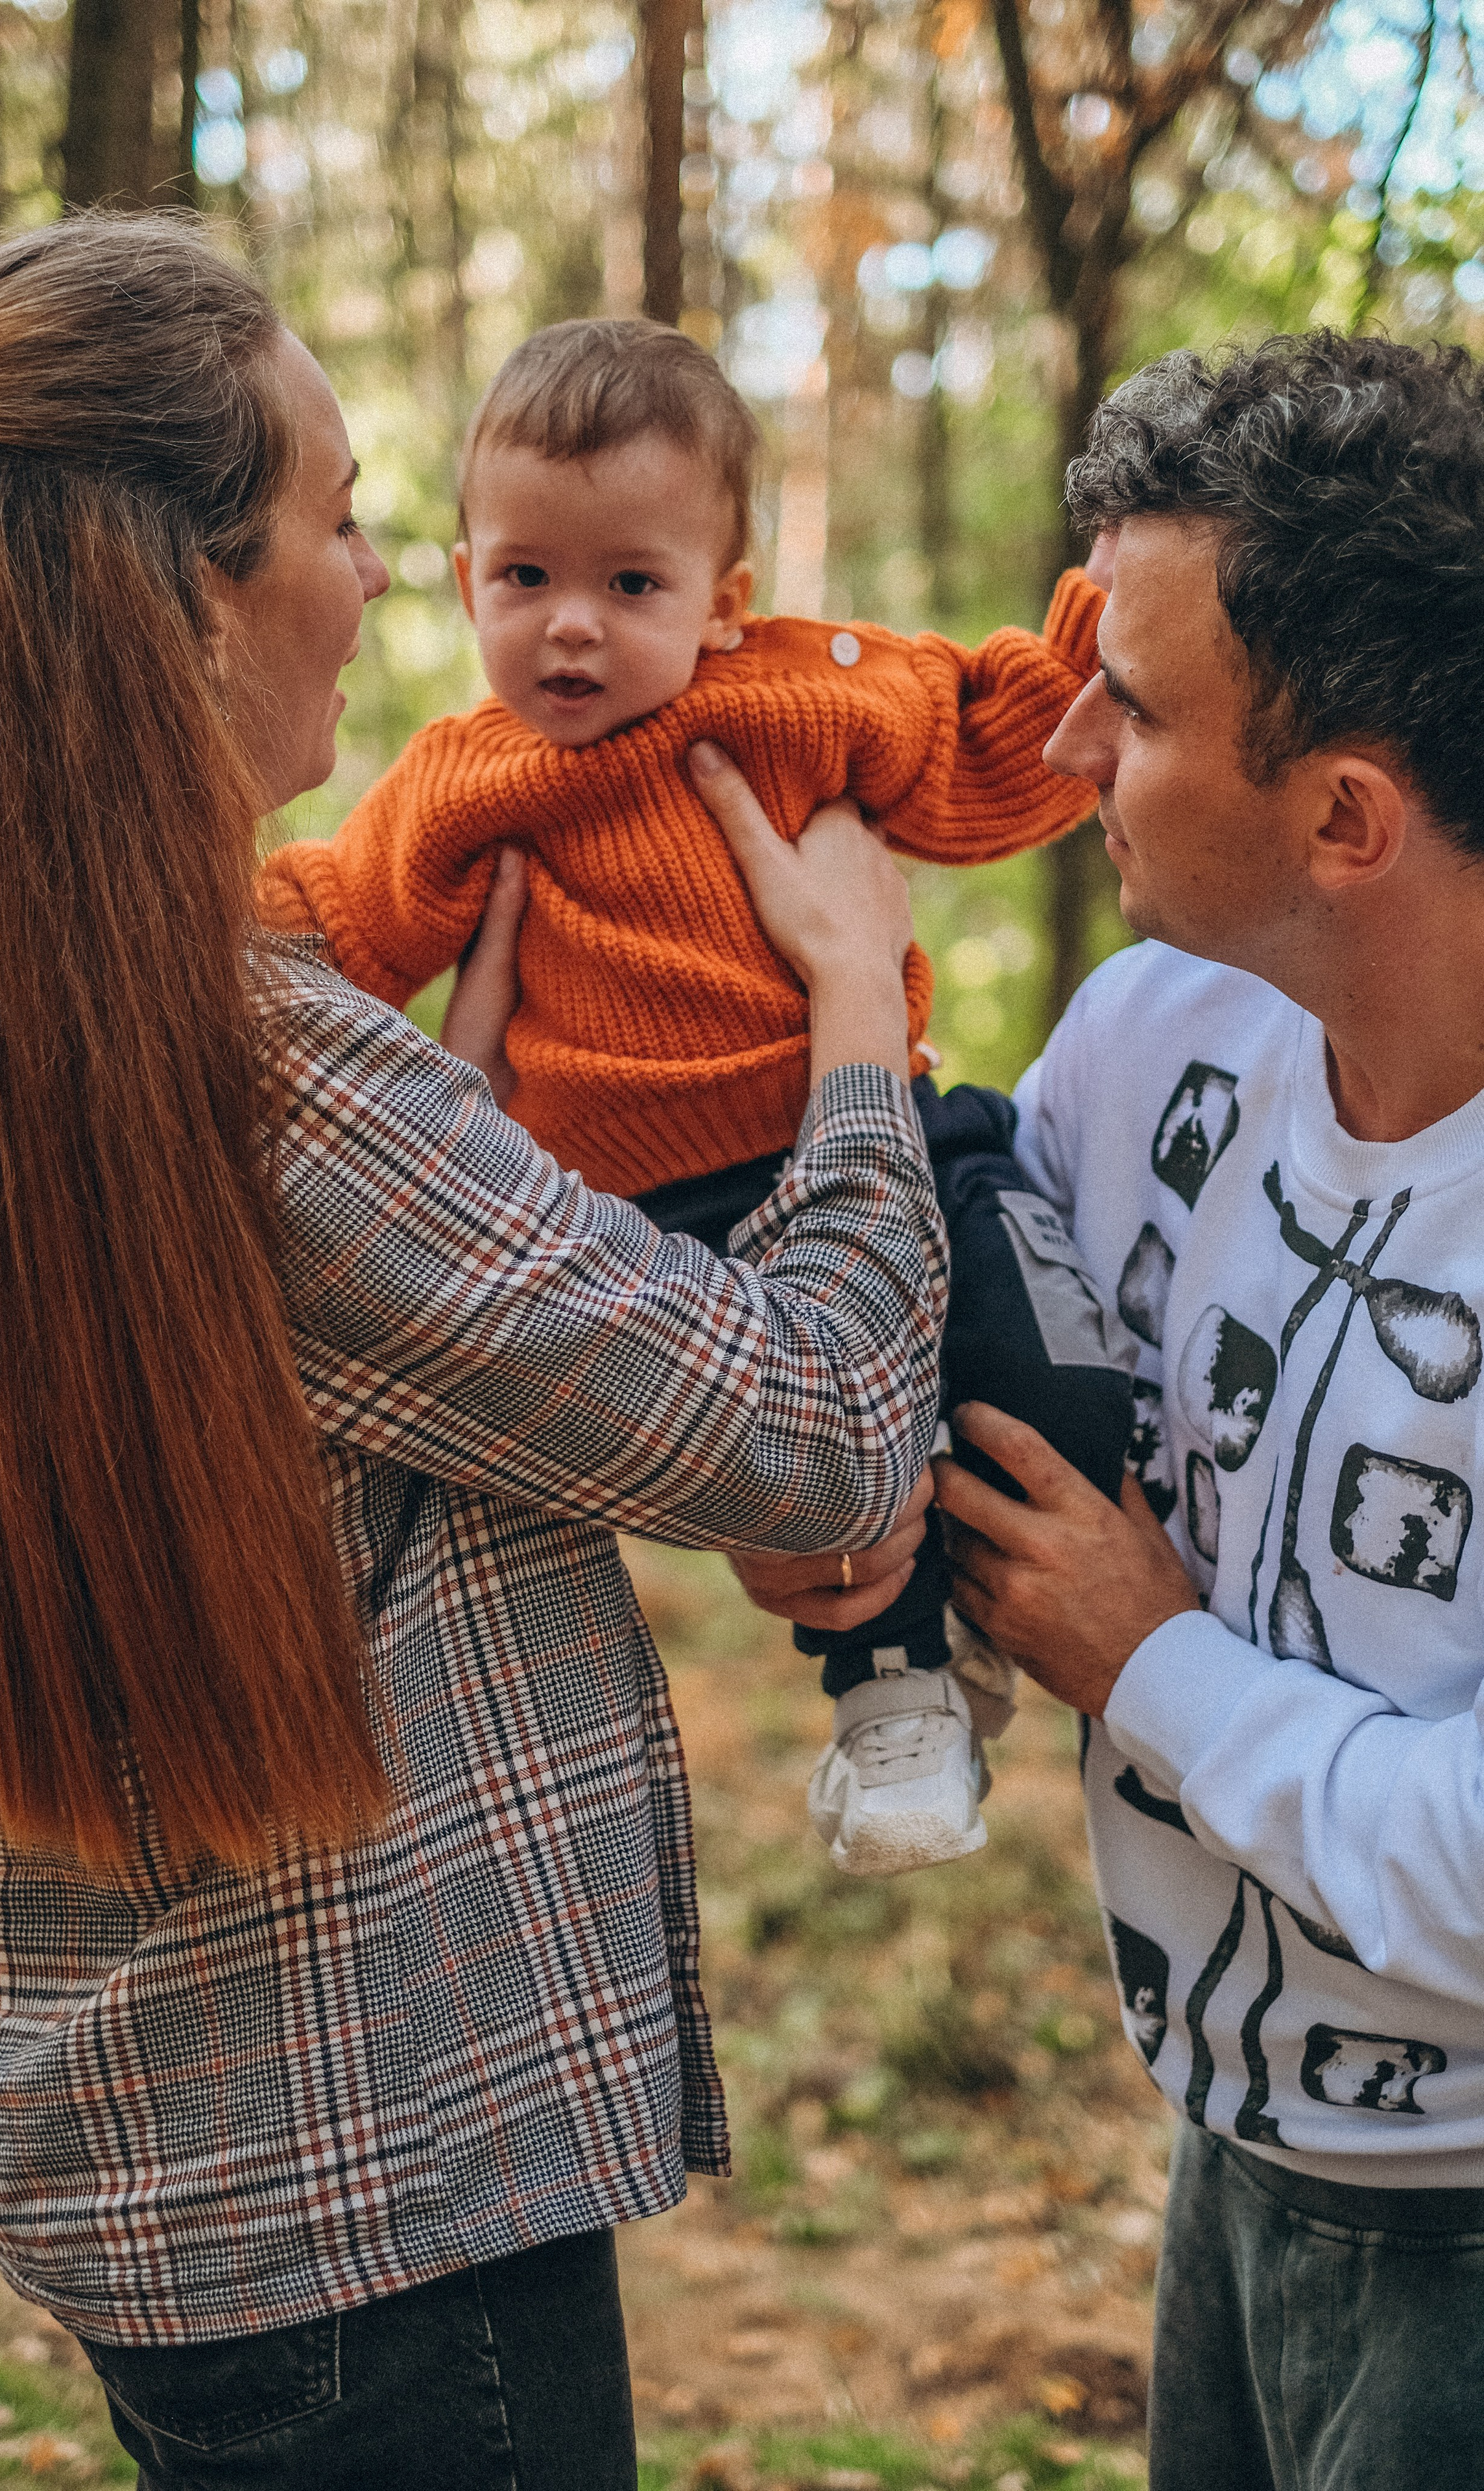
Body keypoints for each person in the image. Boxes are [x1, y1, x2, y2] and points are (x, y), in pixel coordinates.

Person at [0, 217, 945, 2491]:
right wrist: (854, 1019)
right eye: (339, 519)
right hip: (369, 2181)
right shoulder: (237, 1067)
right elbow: (822, 1436)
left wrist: (472, 1150)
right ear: (183, 600)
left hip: (134, 2132)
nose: (374, 581)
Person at [256, 315, 1127, 1875]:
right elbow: (334, 919)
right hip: (668, 1221)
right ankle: (896, 1701)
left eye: (629, 585)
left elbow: (985, 737)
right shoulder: (459, 785)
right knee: (821, 1502)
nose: (570, 629)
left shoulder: (795, 696)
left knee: (1043, 1379)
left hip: (885, 1133)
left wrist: (1099, 634)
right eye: (525, 578)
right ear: (464, 581)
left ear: (723, 605)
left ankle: (1011, 1621)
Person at [872, 333, 1484, 2490]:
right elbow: (990, 1442)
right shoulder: (1146, 1047)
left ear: (1346, 815)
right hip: (1227, 2169)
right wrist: (876, 1555)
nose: (1059, 742)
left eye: (1129, 704)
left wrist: (1158, 1666)